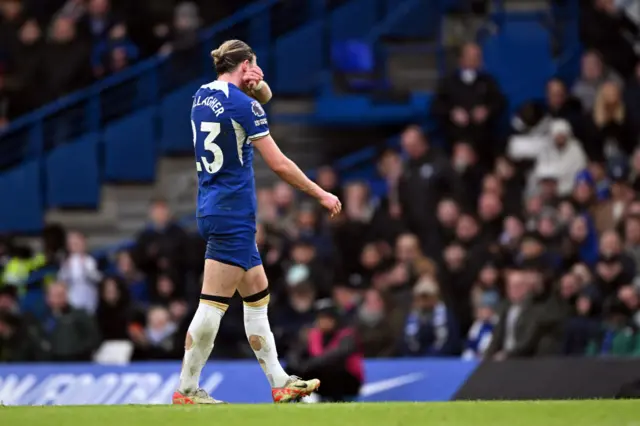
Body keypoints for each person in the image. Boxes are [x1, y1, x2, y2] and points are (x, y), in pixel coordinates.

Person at [173, 39, 341, 405]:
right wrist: (321, 194)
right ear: (247, 63)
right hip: (232, 212)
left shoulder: (201, 95)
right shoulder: (244, 106)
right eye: (254, 64)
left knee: (257, 294)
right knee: (212, 304)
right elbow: (279, 164)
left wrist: (254, 84)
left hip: (214, 205)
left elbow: (256, 98)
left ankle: (279, 380)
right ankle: (186, 389)